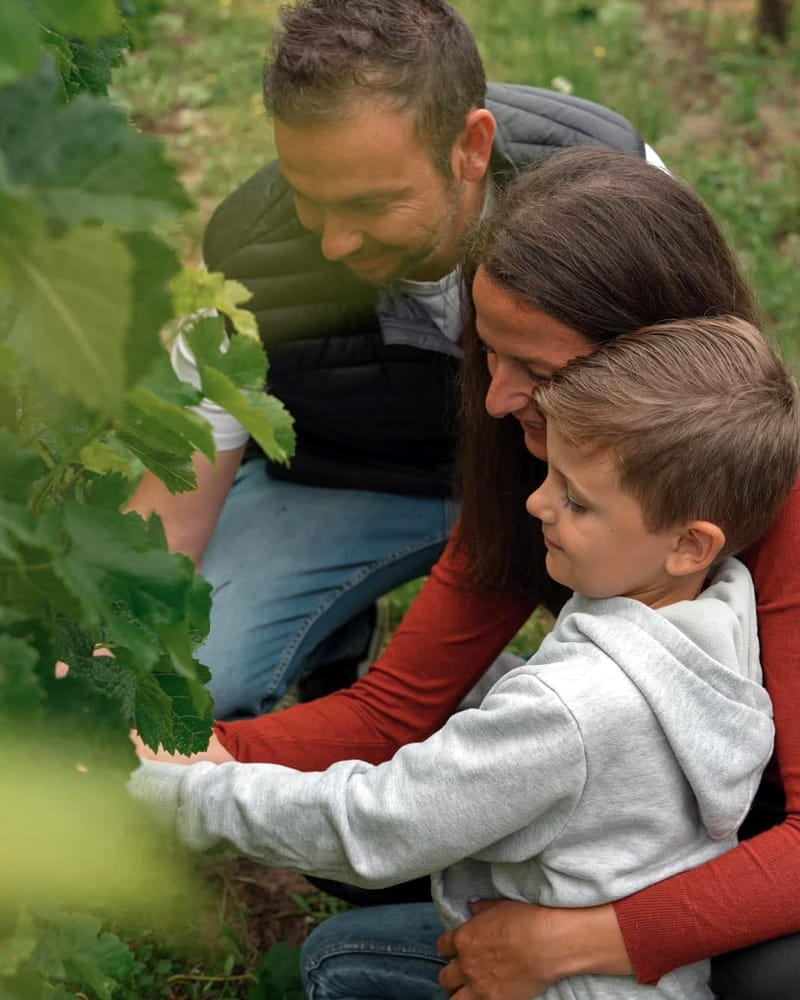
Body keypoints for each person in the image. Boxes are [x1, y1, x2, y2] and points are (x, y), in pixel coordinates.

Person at [137, 148, 800, 999]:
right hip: (652, 817)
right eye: (489, 353)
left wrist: (583, 942)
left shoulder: (764, 516)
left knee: (770, 976)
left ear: (651, 363)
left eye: (541, 372)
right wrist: (201, 753)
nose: (493, 398)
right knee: (397, 798)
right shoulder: (561, 478)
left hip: (757, 855)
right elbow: (400, 707)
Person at [128, 0, 664, 720]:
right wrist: (112, 639)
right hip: (356, 480)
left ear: (472, 147)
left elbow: (699, 415)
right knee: (199, 672)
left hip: (562, 482)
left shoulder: (615, 187)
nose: (334, 244)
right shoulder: (249, 255)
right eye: (308, 199)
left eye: (371, 204)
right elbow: (177, 497)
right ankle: (336, 636)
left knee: (644, 685)